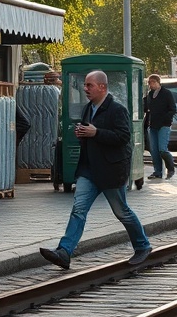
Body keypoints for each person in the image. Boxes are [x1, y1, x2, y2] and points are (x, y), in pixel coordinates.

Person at [40, 70, 152, 270]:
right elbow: (89, 137)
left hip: (110, 171)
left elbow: (123, 138)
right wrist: (82, 134)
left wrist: (96, 132)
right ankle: (64, 252)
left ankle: (143, 245)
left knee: (122, 212)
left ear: (102, 87)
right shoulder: (87, 109)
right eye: (85, 85)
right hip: (88, 170)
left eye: (89, 85)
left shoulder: (117, 110)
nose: (85, 89)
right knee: (78, 209)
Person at [143, 73, 177, 180]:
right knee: (154, 150)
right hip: (152, 125)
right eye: (149, 82)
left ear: (158, 82)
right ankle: (157, 171)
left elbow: (173, 109)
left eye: (153, 82)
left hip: (164, 125)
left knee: (162, 149)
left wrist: (165, 118)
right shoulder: (149, 95)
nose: (151, 85)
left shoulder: (166, 93)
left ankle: (170, 168)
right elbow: (145, 108)